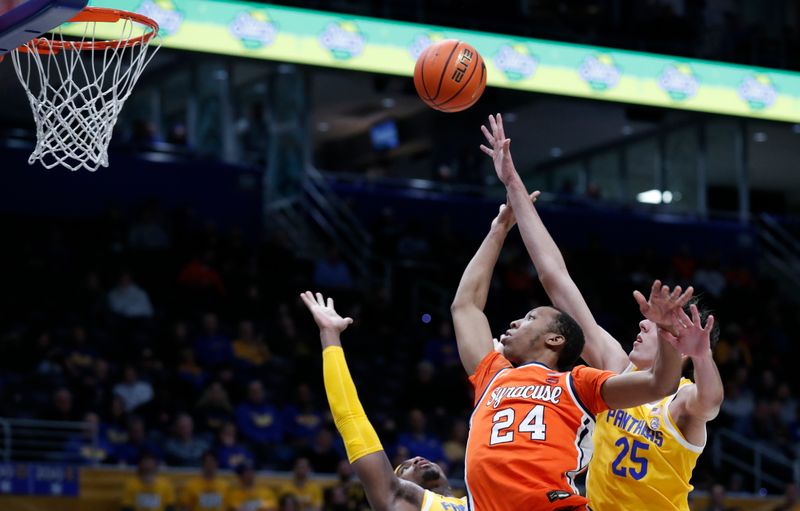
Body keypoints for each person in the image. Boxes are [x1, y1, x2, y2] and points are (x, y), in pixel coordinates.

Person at [479, 112, 723, 511]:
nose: (645, 323)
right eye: (650, 320)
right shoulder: (614, 367)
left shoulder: (683, 400)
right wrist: (512, 183)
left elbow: (710, 402)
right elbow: (555, 278)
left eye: (662, 325)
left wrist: (701, 355)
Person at [299, 291, 466, 511]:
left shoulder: (478, 501)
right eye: (404, 468)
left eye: (407, 463)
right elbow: (351, 419)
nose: (415, 459)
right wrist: (329, 334)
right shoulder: (402, 499)